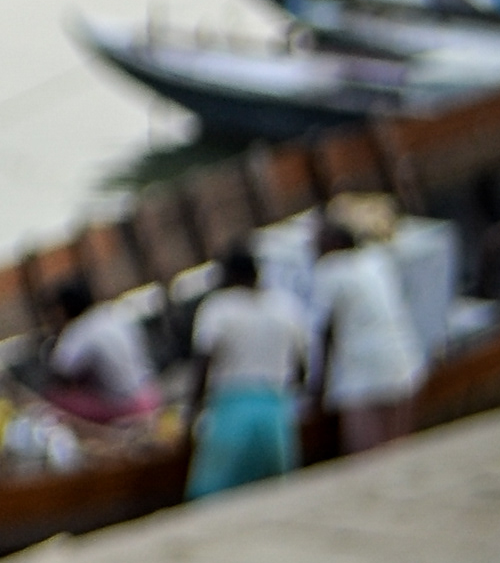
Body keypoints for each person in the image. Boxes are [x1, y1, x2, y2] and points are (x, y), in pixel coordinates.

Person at [184, 240, 315, 500]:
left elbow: (203, 365)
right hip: (276, 410)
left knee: (211, 496)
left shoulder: (218, 308)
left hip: (232, 410)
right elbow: (301, 369)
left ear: (229, 274)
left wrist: (192, 412)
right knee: (277, 493)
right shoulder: (285, 305)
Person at [311, 213, 429, 455]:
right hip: (403, 361)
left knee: (365, 455)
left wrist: (318, 389)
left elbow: (324, 333)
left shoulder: (330, 270)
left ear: (334, 244)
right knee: (399, 449)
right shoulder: (377, 260)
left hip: (364, 373)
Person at [38, 275, 160, 427]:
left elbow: (60, 374)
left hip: (124, 407)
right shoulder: (114, 312)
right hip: (150, 395)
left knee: (55, 400)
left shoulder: (78, 331)